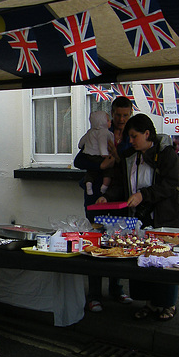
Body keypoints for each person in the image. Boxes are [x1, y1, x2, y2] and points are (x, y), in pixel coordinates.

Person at [96, 113, 179, 322]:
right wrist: (106, 197)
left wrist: (144, 195)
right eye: (129, 137)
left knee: (163, 260)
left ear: (147, 133)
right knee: (141, 259)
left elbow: (169, 184)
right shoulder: (130, 157)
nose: (130, 141)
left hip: (164, 217)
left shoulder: (167, 154)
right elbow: (121, 186)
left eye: (134, 136)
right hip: (138, 218)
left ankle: (168, 304)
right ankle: (149, 303)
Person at [74, 96, 133, 312]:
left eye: (125, 115)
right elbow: (78, 161)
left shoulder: (130, 136)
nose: (121, 119)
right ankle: (95, 295)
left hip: (120, 198)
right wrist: (102, 165)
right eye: (117, 114)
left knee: (118, 242)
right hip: (94, 197)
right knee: (94, 243)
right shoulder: (96, 133)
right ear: (111, 114)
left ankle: (117, 289)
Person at [78, 110, 114, 195]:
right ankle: (104, 186)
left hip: (89, 155)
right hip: (100, 156)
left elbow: (81, 142)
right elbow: (102, 143)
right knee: (108, 170)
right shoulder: (104, 132)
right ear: (102, 122)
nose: (110, 122)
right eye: (108, 120)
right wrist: (104, 154)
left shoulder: (90, 131)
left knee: (90, 172)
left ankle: (88, 184)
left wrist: (80, 146)